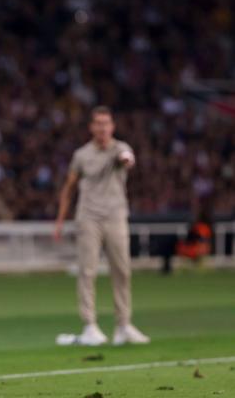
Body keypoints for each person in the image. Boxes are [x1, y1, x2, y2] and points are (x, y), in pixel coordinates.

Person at [54, 106, 149, 346]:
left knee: (122, 270)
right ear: (91, 127)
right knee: (87, 271)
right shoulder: (82, 155)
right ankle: (89, 326)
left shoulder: (121, 148)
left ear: (112, 126)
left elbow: (127, 159)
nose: (102, 127)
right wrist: (60, 219)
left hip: (116, 216)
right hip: (88, 217)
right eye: (98, 123)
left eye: (106, 123)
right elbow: (69, 186)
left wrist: (125, 159)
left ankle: (123, 325)